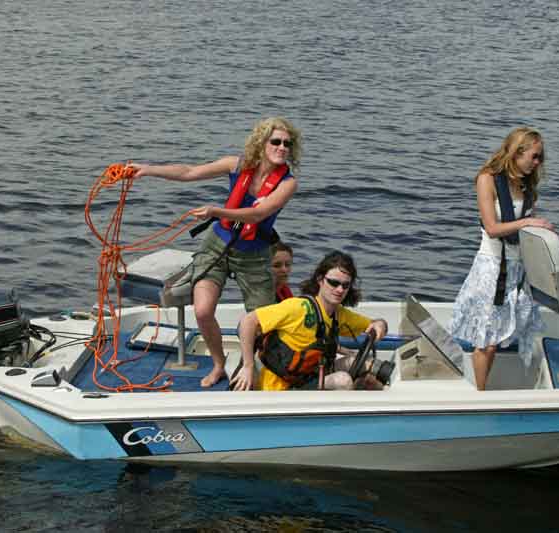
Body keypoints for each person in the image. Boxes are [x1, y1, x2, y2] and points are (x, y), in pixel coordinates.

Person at [131, 117, 301, 387]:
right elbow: (189, 171)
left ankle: (257, 367)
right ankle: (219, 364)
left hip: (254, 254)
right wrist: (148, 170)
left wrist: (215, 211)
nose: (282, 148)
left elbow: (258, 214)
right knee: (202, 310)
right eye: (276, 142)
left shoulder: (287, 184)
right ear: (262, 141)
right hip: (217, 245)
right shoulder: (235, 164)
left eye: (287, 144)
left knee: (263, 321)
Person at [449, 126, 555, 391]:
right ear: (517, 152)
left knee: (502, 335)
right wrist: (529, 222)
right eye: (534, 156)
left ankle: (483, 389)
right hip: (492, 268)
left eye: (540, 157)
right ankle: (480, 395)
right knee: (487, 339)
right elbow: (493, 228)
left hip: (517, 268)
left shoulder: (526, 184)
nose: (538, 162)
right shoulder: (487, 179)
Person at [233, 250, 388, 391]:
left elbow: (375, 323)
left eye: (345, 285)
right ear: (320, 280)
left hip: (311, 375)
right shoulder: (298, 308)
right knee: (343, 381)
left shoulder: (339, 315)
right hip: (281, 388)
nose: (340, 289)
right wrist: (248, 366)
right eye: (333, 283)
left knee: (364, 363)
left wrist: (380, 324)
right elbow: (248, 322)